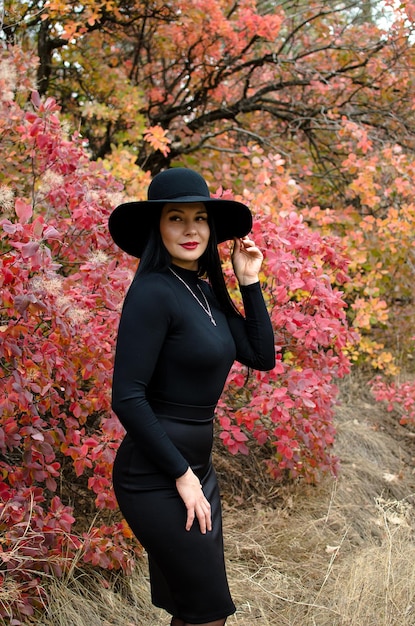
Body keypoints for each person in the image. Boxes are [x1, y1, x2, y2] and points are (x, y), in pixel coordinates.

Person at [108, 168, 275, 626]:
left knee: (194, 609)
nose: (190, 229)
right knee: (207, 612)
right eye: (175, 219)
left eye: (199, 218)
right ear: (157, 229)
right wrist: (182, 476)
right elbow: (127, 397)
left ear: (211, 227)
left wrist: (249, 282)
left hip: (197, 469)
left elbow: (261, 356)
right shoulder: (151, 293)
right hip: (155, 473)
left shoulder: (204, 292)